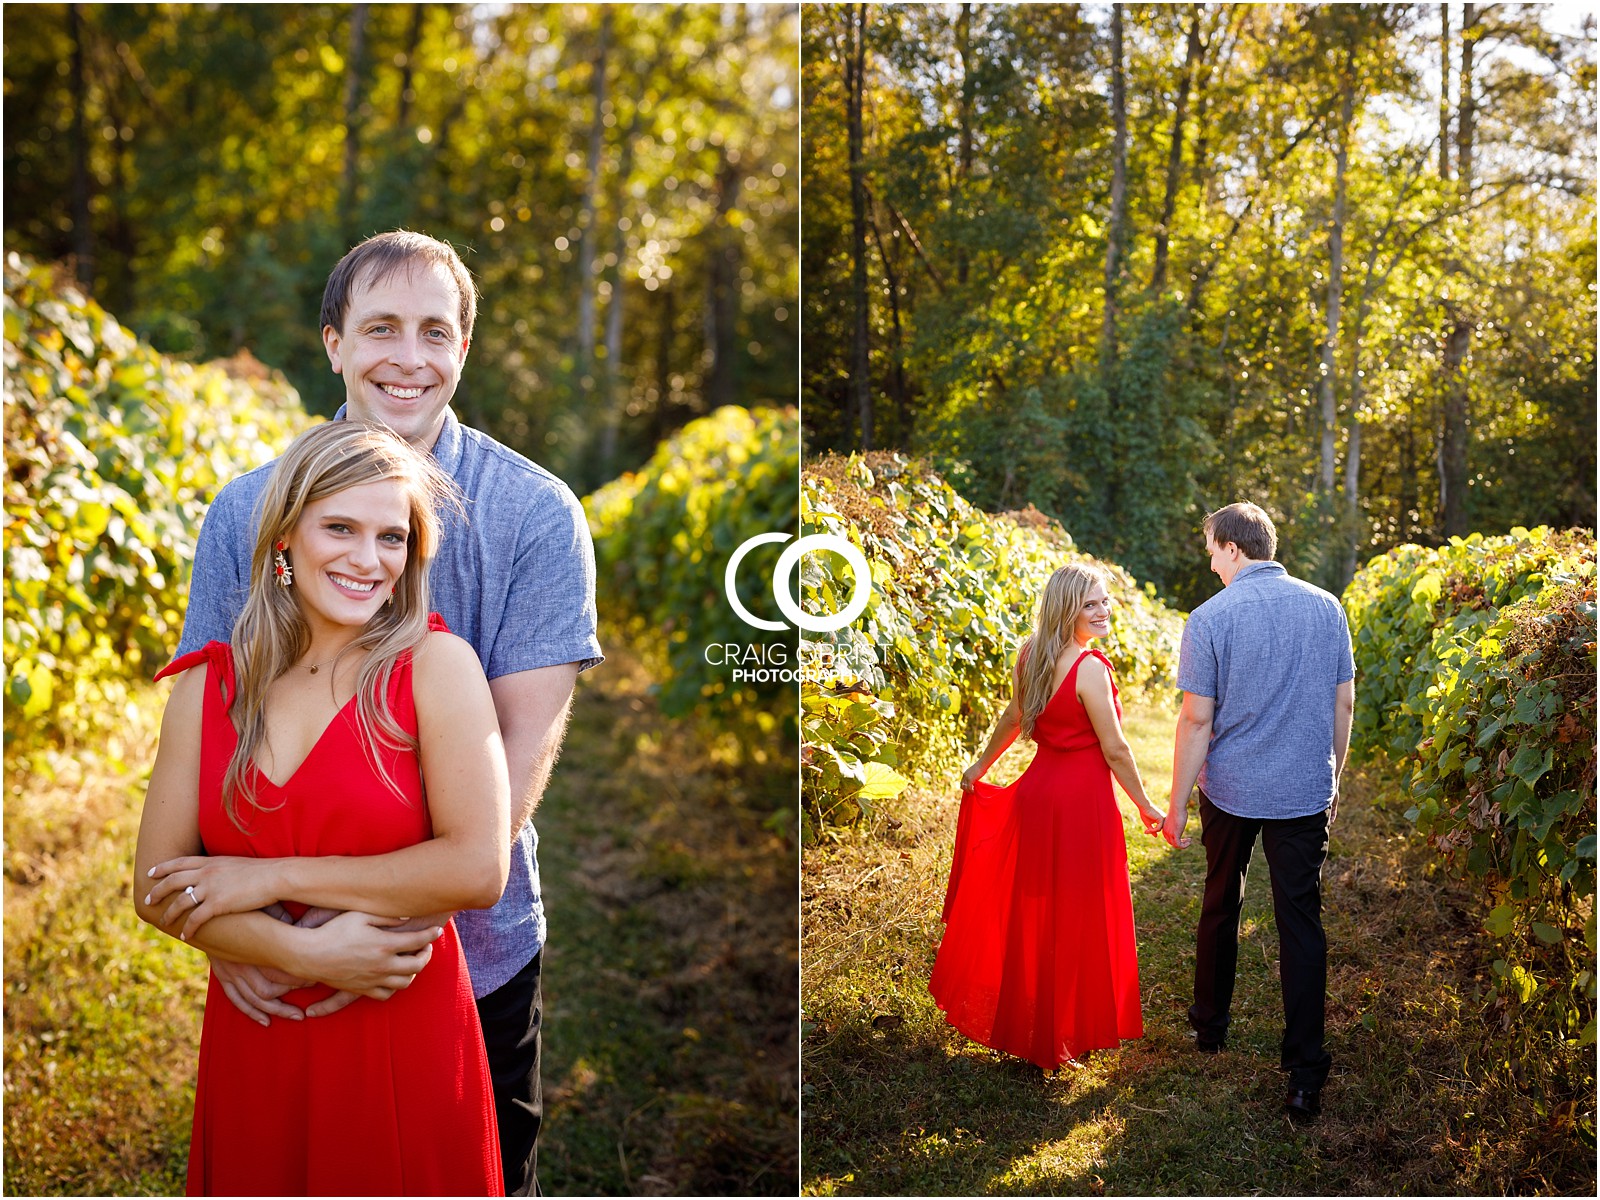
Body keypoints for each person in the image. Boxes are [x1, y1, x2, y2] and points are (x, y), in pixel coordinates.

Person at [173, 230, 602, 1194]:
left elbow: (516, 762)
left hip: (455, 949)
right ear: (332, 343)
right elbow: (215, 734)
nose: (408, 358)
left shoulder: (536, 512)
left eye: (435, 332)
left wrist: (332, 919)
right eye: (380, 328)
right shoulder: (245, 511)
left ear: (463, 349)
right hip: (266, 952)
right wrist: (252, 934)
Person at [135, 420, 508, 1194]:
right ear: (284, 537)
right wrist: (296, 954)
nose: (368, 560)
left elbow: (476, 867)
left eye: (392, 537)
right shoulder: (207, 689)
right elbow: (154, 885)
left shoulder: (438, 669)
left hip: (397, 1018)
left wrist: (266, 880)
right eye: (340, 527)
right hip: (260, 1020)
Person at [1161, 501, 1355, 1123]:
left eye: (1213, 550)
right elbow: (1343, 704)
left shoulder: (1209, 618)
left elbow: (1196, 718)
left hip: (1231, 788)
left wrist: (1176, 807)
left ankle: (1209, 1028)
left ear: (1234, 548)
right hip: (1302, 790)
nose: (1212, 563)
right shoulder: (1327, 607)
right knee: (1301, 920)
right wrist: (1332, 777)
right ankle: (1304, 1075)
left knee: (1222, 897)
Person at [930, 562, 1165, 1071]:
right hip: (1081, 804)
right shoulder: (1089, 669)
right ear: (1067, 609)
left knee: (1040, 915)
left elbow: (1014, 717)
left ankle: (1039, 1031)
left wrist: (980, 764)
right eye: (1091, 604)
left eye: (1105, 601)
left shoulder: (1030, 655)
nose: (1103, 611)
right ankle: (1063, 1035)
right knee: (1078, 916)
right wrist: (1147, 806)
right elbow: (1117, 751)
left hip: (1038, 795)